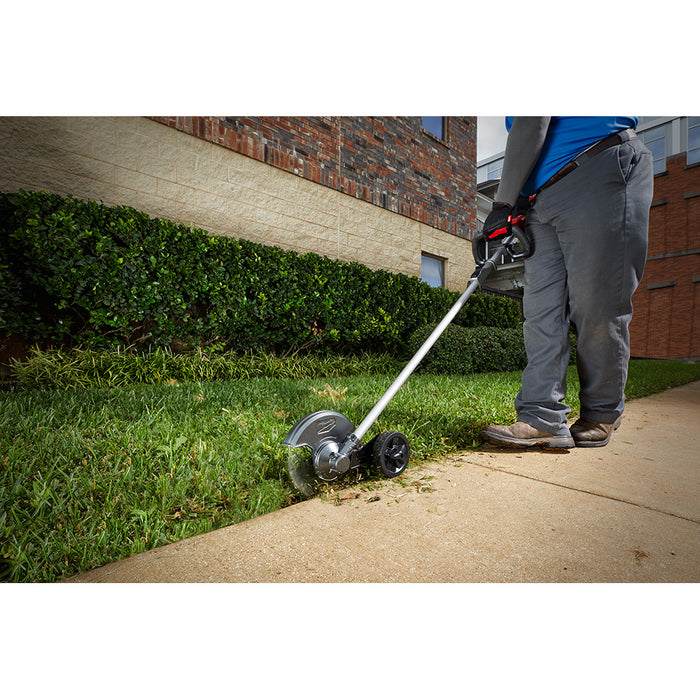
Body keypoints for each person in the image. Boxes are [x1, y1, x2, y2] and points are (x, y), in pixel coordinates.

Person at [479, 117, 653, 450]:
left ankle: (601, 412)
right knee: (540, 313)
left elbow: (534, 120)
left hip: (598, 164)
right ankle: (541, 417)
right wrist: (519, 199)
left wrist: (502, 203)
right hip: (540, 200)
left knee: (596, 304)